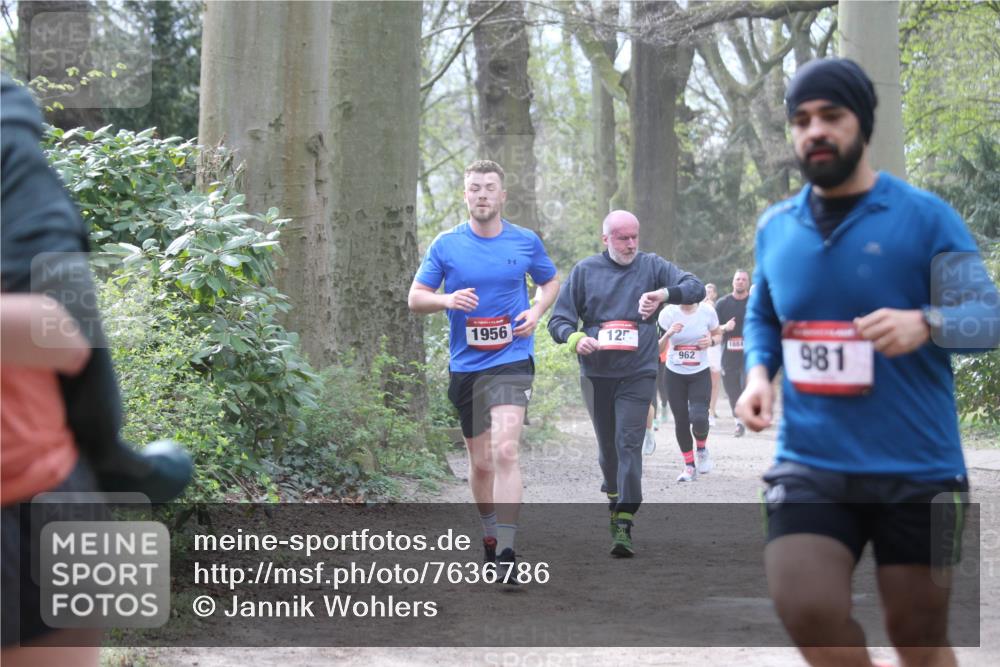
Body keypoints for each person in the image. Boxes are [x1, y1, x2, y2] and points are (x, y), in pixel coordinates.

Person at [735, 57, 1000, 667]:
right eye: (800, 120)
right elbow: (765, 318)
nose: (814, 131)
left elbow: (985, 318)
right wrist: (757, 374)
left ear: (864, 123)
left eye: (831, 115)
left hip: (922, 470)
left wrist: (927, 323)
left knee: (919, 637)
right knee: (806, 609)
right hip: (811, 462)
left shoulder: (927, 218)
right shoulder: (777, 227)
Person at [408, 160, 559, 579]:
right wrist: (448, 300)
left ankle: (509, 549)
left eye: (490, 187)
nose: (482, 195)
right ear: (465, 195)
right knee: (481, 465)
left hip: (512, 357)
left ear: (503, 195)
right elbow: (415, 298)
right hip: (467, 365)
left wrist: (537, 310)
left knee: (506, 448)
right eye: (474, 188)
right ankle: (490, 532)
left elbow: (550, 281)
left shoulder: (525, 241)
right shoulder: (446, 244)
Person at [547, 210, 704, 557]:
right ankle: (615, 496)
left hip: (639, 369)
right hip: (597, 372)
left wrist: (663, 294)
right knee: (608, 450)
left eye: (634, 236)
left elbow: (694, 287)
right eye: (622, 237)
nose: (631, 243)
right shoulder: (585, 271)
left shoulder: (651, 266)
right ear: (606, 239)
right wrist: (575, 339)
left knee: (629, 441)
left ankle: (624, 520)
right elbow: (558, 320)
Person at [657, 301, 722, 481]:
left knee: (700, 417)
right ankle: (689, 466)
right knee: (681, 420)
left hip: (699, 372)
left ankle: (701, 449)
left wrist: (711, 341)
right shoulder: (668, 313)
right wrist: (668, 334)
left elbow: (718, 335)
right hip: (674, 374)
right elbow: (657, 348)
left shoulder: (707, 311)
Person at [715, 269, 751, 436]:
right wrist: (724, 327)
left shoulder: (754, 303)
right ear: (733, 282)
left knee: (746, 385)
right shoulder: (722, 304)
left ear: (748, 283)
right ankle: (738, 422)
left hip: (749, 353)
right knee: (732, 389)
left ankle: (744, 417)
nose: (740, 282)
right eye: (738, 279)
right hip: (728, 354)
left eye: (743, 279)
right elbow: (713, 329)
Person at [702, 282, 723, 424]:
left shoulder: (719, 306)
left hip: (714, 346)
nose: (708, 293)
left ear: (715, 294)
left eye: (710, 291)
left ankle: (712, 410)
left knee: (715, 380)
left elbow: (719, 328)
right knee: (702, 380)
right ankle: (701, 409)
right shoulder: (697, 307)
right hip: (701, 346)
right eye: (706, 291)